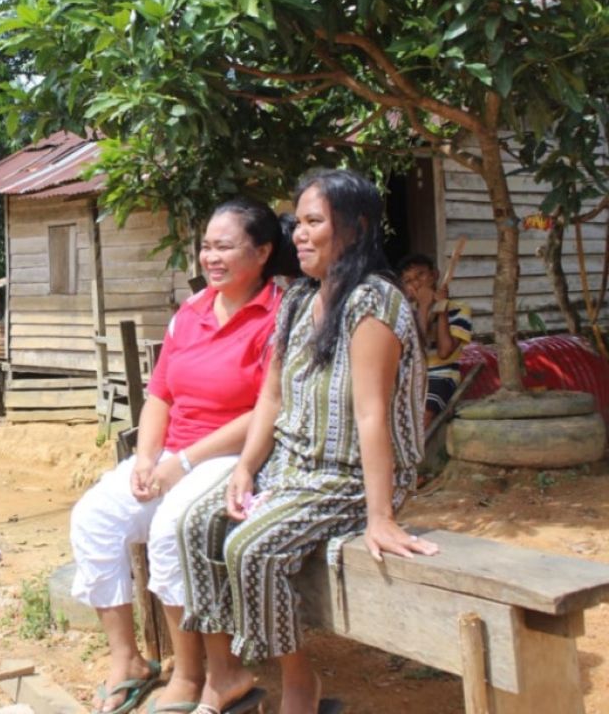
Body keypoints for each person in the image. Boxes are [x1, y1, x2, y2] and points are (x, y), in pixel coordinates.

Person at [179, 169, 440, 714]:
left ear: (356, 226)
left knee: (252, 547)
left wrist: (381, 515)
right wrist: (246, 468)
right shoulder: (299, 300)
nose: (299, 233)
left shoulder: (373, 303)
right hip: (290, 469)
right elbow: (270, 398)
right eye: (298, 221)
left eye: (314, 221)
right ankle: (224, 674)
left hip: (346, 477)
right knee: (197, 523)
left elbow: (371, 414)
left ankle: (300, 685)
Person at [69, 199, 297, 714]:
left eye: (225, 246)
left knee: (172, 527)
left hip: (232, 457)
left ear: (262, 252)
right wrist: (148, 457)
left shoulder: (277, 315)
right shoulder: (189, 314)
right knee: (94, 517)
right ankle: (126, 660)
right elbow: (160, 396)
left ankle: (195, 673)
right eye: (206, 246)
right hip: (172, 451)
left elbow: (267, 408)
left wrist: (185, 462)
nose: (210, 257)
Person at [397, 253, 473, 429]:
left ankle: (421, 455)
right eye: (408, 280)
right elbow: (416, 348)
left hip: (441, 376)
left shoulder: (460, 309)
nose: (416, 283)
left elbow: (445, 352)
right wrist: (424, 307)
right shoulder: (406, 313)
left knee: (425, 412)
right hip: (411, 377)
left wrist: (442, 311)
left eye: (421, 275)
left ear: (435, 275)